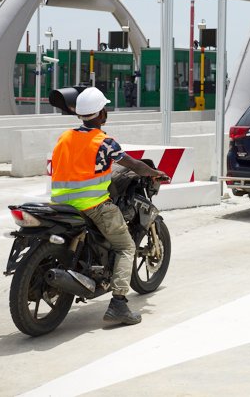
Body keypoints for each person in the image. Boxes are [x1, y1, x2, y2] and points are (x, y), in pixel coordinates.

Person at [49, 87, 164, 326]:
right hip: (93, 205)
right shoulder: (104, 142)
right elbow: (133, 165)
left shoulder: (64, 137)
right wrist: (154, 173)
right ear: (102, 113)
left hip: (60, 205)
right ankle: (119, 304)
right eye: (105, 109)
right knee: (126, 246)